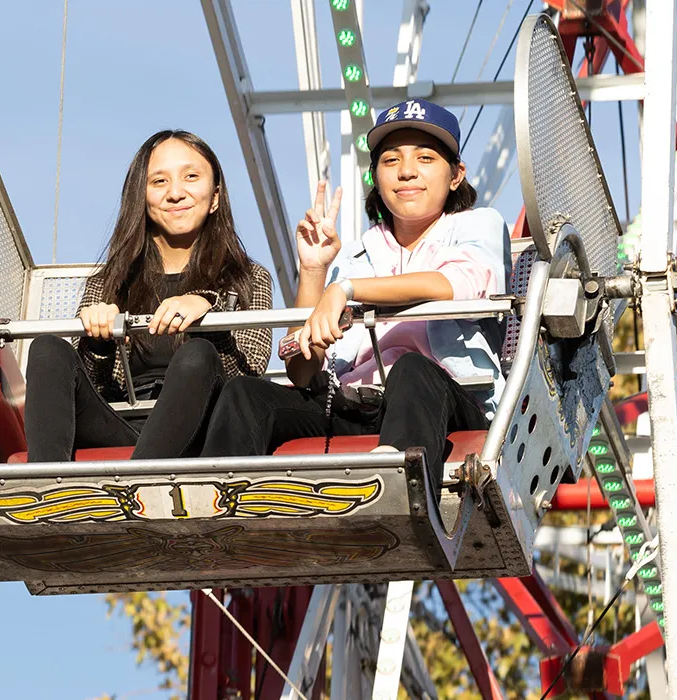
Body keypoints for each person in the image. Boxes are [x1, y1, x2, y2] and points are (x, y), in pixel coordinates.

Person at [200, 98, 510, 494]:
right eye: (391, 161)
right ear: (376, 177)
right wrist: (314, 271)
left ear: (456, 175)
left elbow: (453, 283)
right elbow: (301, 370)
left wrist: (345, 290)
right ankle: (217, 504)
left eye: (426, 158)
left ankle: (392, 488)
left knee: (411, 369)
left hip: (444, 403)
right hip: (354, 404)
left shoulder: (476, 226)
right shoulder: (357, 255)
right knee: (244, 394)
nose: (407, 172)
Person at [24, 130, 273, 462]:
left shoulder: (248, 279)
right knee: (47, 348)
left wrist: (208, 316)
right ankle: (45, 489)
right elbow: (91, 386)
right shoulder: (109, 282)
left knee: (197, 354)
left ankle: (141, 483)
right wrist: (98, 344)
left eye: (191, 177)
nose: (175, 193)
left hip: (203, 432)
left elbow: (249, 377)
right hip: (121, 426)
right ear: (141, 196)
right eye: (159, 182)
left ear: (214, 196)